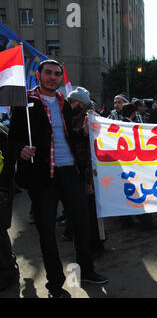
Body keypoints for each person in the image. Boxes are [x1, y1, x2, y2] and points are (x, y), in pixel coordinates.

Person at [8, 60, 108, 298]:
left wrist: (81, 132)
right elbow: (12, 139)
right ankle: (55, 285)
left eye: (57, 74)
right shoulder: (25, 102)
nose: (53, 77)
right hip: (43, 177)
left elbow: (67, 136)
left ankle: (87, 271)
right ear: (38, 75)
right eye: (48, 73)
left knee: (82, 227)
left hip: (70, 173)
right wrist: (21, 148)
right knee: (47, 234)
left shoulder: (64, 103)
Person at [67, 87, 104, 256]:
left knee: (91, 212)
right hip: (80, 170)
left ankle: (96, 245)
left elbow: (92, 153)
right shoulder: (75, 117)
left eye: (71, 101)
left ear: (80, 103)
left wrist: (89, 180)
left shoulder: (90, 119)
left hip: (89, 172)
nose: (69, 105)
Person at [0, 122, 19, 291]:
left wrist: (4, 187)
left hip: (2, 189)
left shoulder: (1, 132)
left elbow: (9, 159)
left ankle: (8, 273)